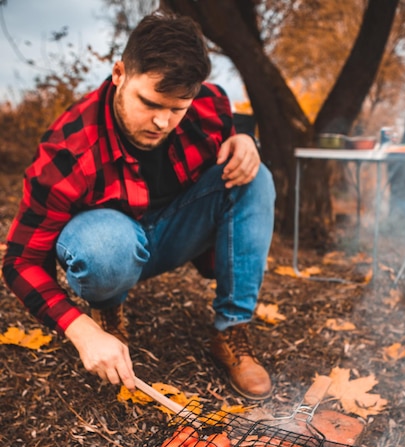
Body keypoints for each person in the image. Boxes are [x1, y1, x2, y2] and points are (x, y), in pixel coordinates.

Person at [2, 11, 275, 401]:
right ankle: (107, 311)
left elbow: (231, 140)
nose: (163, 121)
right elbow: (19, 262)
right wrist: (78, 327)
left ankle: (231, 329)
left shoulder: (209, 106)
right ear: (119, 74)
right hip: (109, 249)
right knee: (106, 244)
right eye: (149, 103)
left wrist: (246, 143)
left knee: (256, 177)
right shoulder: (68, 149)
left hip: (175, 234)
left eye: (177, 108)